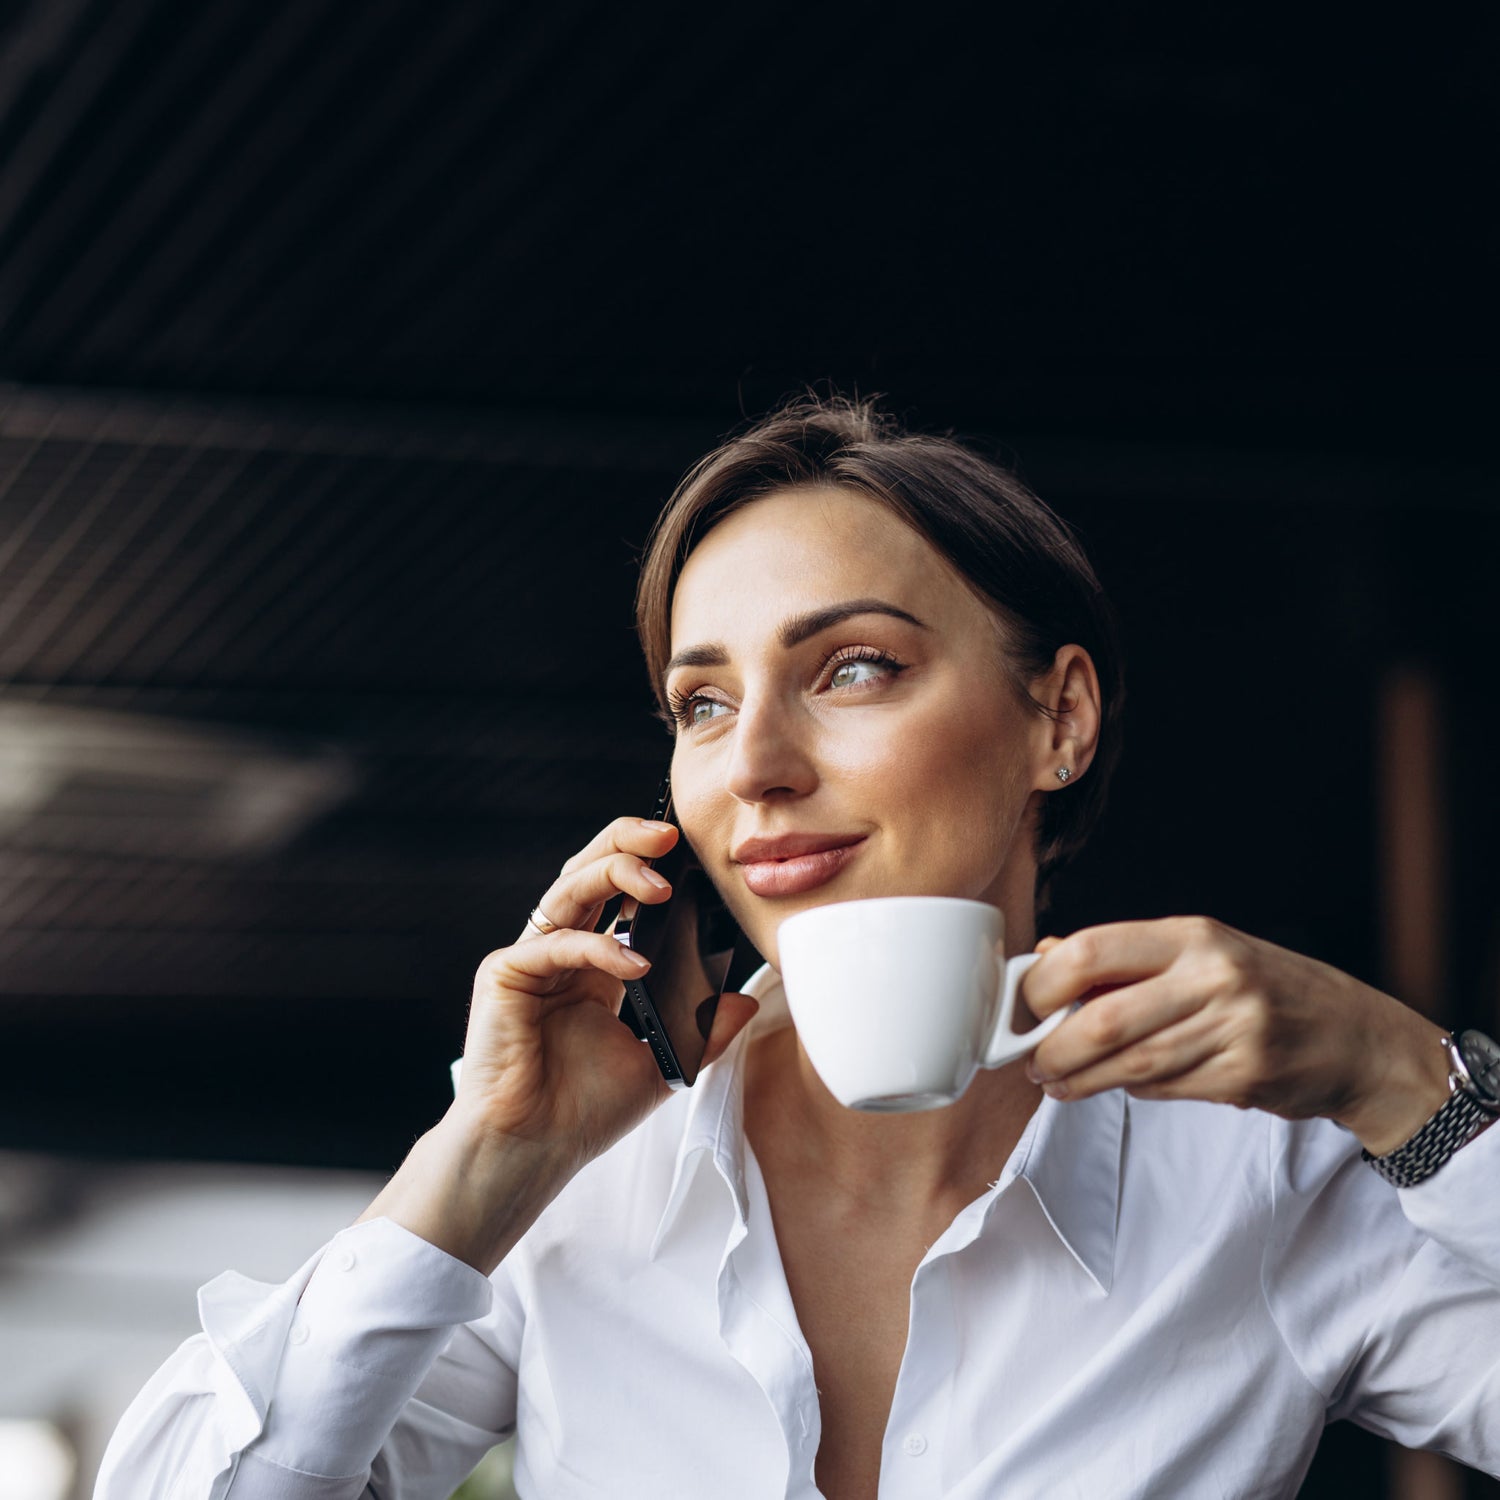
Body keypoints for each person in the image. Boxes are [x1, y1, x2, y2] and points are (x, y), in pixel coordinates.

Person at [97, 394, 1500, 1499]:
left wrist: (1407, 1081)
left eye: (854, 670)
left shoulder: (1261, 1177)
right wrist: (483, 1160)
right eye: (702, 704)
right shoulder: (580, 1184)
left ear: (1057, 720)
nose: (753, 766)